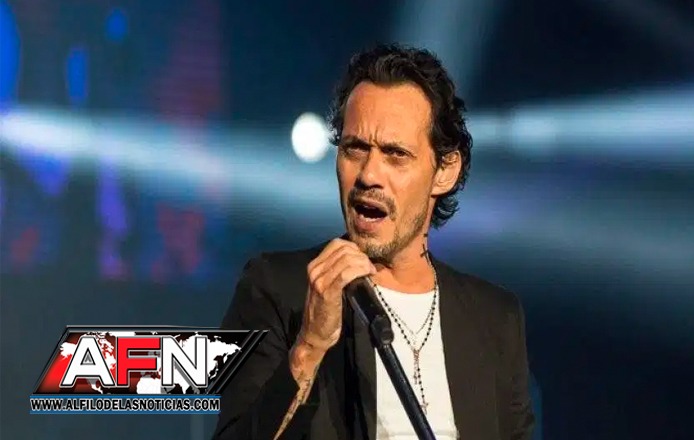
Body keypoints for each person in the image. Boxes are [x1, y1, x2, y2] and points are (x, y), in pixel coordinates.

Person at [214, 43, 535, 440]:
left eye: (395, 154)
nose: (368, 174)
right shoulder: (278, 289)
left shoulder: (495, 318)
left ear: (444, 171)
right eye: (355, 148)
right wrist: (309, 347)